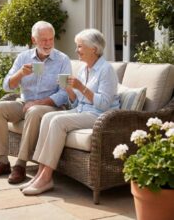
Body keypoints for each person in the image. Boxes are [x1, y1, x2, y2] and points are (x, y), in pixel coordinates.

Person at [20, 28, 120, 195]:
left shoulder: (106, 70)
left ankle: (46, 177)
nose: (76, 50)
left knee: (58, 121)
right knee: (48, 117)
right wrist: (69, 91)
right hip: (83, 111)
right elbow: (76, 103)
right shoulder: (84, 69)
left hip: (100, 116)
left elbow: (103, 104)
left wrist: (81, 87)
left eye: (80, 46)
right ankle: (40, 174)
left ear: (93, 49)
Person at [0, 21, 72, 184]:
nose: (48, 43)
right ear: (34, 40)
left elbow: (64, 93)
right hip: (24, 103)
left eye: (51, 39)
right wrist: (20, 74)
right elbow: (7, 86)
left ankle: (21, 165)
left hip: (50, 106)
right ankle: (2, 162)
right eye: (44, 40)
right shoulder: (23, 57)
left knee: (33, 110)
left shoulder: (62, 60)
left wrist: (39, 102)